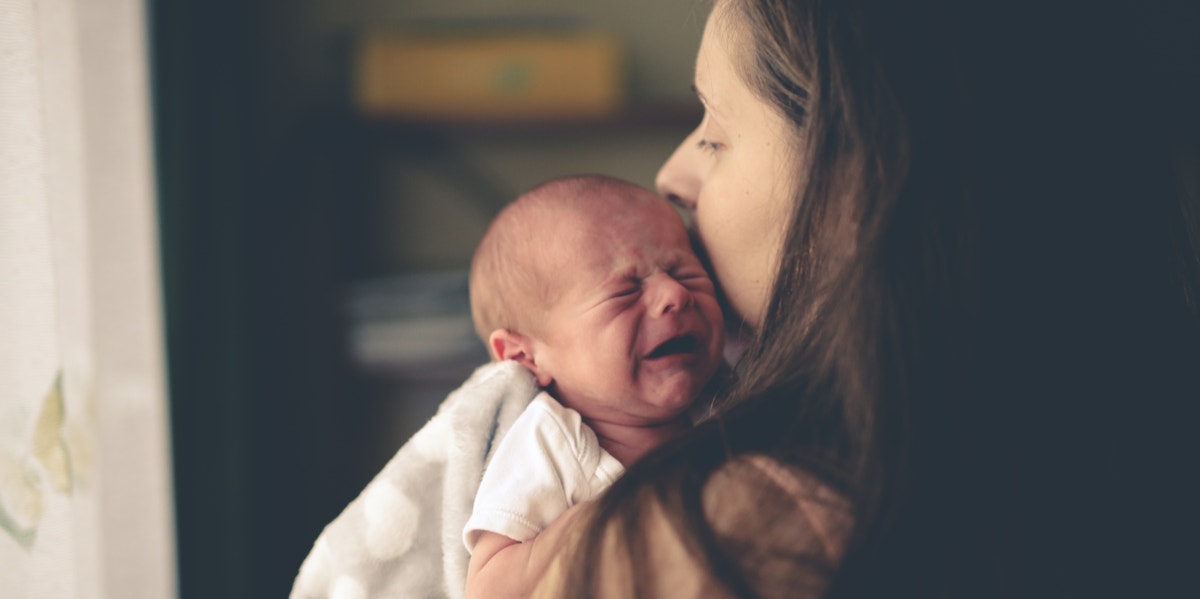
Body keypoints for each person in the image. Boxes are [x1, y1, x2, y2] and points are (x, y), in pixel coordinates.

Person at [510, 1, 1199, 598]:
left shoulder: (714, 538)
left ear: (859, 185)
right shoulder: (1139, 456)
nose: (671, 175)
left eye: (716, 134)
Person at [463, 174, 727, 598]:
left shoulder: (729, 404)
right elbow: (489, 589)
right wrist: (603, 517)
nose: (673, 294)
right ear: (525, 357)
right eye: (626, 290)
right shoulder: (551, 443)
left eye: (685, 271)